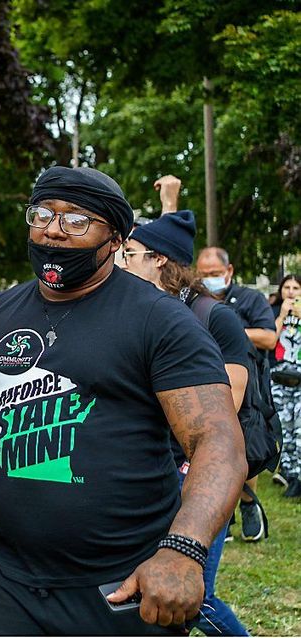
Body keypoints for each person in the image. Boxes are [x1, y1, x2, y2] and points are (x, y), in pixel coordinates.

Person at [0, 166, 247, 634]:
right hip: (3, 585)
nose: (52, 229)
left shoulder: (158, 320)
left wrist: (183, 548)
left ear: (114, 239)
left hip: (117, 587)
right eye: (42, 213)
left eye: (76, 220)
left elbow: (219, 443)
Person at [122, 195, 250, 636]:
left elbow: (228, 403)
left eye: (130, 254)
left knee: (197, 596)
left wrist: (194, 463)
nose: (121, 262)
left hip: (197, 473)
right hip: (150, 474)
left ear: (158, 261)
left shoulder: (214, 318)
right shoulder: (138, 317)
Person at [196, 245, 277, 542]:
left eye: (215, 274)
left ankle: (247, 504)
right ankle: (222, 512)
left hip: (250, 380)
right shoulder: (195, 300)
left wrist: (227, 330)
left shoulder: (249, 299)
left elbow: (269, 336)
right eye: (203, 275)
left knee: (244, 445)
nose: (208, 280)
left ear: (228, 271)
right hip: (208, 378)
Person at [270, 274, 301, 498]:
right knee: (284, 427)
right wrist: (282, 315)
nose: (291, 292)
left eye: (296, 288)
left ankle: (298, 476)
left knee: (299, 427)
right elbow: (269, 339)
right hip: (279, 378)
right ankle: (287, 472)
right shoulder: (272, 311)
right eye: (287, 287)